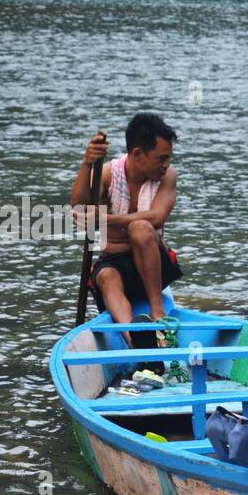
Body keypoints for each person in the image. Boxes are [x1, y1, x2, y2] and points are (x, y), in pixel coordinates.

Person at [70, 112, 181, 344]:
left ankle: (158, 312)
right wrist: (87, 163)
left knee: (140, 228)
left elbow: (157, 218)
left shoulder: (167, 177)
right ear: (138, 154)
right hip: (115, 261)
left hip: (154, 263)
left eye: (168, 158)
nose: (166, 165)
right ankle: (135, 339)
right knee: (107, 276)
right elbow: (80, 207)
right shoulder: (109, 174)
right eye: (161, 158)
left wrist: (106, 220)